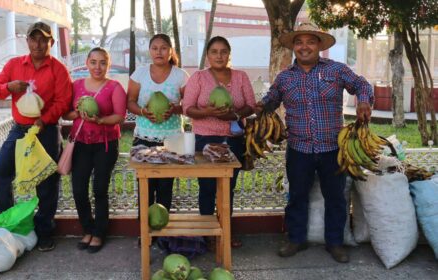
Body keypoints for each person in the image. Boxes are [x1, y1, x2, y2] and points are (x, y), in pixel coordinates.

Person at [260, 23, 373, 263]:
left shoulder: (336, 70)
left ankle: (335, 243)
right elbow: (270, 100)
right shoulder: (285, 77)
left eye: (310, 42)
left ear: (319, 45)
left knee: (335, 197)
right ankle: (296, 239)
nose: (304, 47)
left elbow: (362, 84)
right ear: (293, 47)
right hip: (299, 148)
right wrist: (256, 107)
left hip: (333, 147)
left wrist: (363, 100)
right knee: (297, 196)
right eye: (299, 42)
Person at [0, 22, 72, 251]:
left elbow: (63, 101)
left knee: (47, 182)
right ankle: (10, 225)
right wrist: (9, 86)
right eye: (33, 39)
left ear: (51, 42)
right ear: (27, 41)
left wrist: (44, 119)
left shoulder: (58, 69)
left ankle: (44, 231)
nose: (38, 44)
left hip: (46, 130)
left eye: (43, 39)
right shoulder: (14, 65)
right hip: (20, 130)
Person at [183, 36, 256, 248]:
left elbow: (250, 105)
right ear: (207, 55)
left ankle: (225, 231)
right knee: (206, 187)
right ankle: (207, 234)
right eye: (214, 51)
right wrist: (207, 112)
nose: (219, 55)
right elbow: (188, 108)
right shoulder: (198, 78)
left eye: (223, 51)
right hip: (205, 138)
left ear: (229, 54)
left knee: (227, 187)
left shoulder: (241, 76)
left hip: (234, 139)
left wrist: (233, 115)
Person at [63, 47, 127, 253]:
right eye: (93, 62)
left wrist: (100, 120)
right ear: (87, 63)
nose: (97, 67)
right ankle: (87, 229)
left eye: (102, 63)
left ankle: (99, 233)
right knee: (79, 189)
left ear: (108, 65)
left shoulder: (115, 87)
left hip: (105, 144)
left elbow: (119, 116)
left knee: (99, 189)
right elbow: (67, 113)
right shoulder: (77, 85)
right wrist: (78, 113)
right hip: (80, 143)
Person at [127, 33, 189, 211]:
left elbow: (190, 104)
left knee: (165, 188)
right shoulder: (140, 73)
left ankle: (162, 233)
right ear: (149, 51)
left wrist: (175, 109)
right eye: (154, 48)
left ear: (171, 51)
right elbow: (130, 101)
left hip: (172, 139)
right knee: (144, 186)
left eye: (163, 48)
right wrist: (142, 111)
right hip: (143, 137)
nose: (158, 52)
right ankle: (145, 233)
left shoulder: (180, 76)